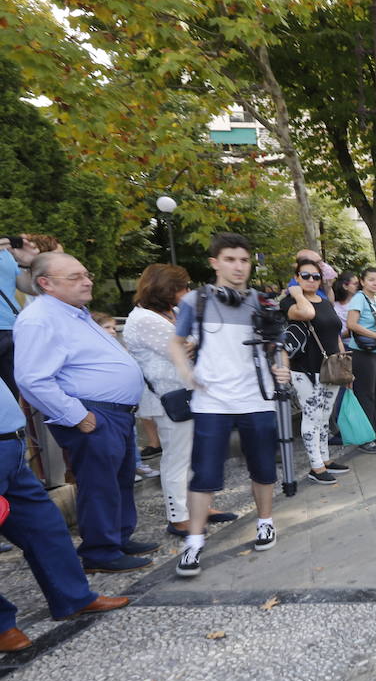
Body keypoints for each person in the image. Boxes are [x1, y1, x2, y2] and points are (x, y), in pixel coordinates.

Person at [14, 252, 158, 572]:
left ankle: (117, 538)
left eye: (86, 273)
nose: (88, 280)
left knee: (118, 480)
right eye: (76, 277)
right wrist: (77, 416)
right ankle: (100, 551)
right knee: (99, 484)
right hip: (91, 415)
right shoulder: (40, 318)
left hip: (112, 413)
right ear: (45, 284)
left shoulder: (74, 313)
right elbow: (32, 379)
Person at [167, 233, 291, 578]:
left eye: (244, 260)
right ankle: (193, 543)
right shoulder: (196, 300)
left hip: (257, 397)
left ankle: (265, 522)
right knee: (204, 474)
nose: (238, 267)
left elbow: (277, 346)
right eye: (231, 259)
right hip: (212, 401)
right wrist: (185, 373)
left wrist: (283, 369)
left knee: (264, 467)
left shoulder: (263, 302)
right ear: (215, 263)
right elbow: (176, 343)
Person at [0, 381, 130, 652]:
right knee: (42, 525)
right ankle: (2, 625)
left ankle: (74, 598)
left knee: (45, 527)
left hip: (11, 445)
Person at [124, 263, 236, 536]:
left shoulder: (169, 312)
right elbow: (183, 348)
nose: (188, 291)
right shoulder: (144, 319)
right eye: (183, 287)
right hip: (170, 397)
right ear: (166, 289)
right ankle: (178, 516)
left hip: (189, 392)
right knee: (178, 458)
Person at [280, 258, 351, 485]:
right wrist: (298, 293)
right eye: (305, 276)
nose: (311, 280)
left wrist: (344, 363)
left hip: (330, 368)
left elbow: (336, 334)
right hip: (306, 369)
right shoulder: (290, 303)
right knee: (312, 416)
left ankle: (325, 460)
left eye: (316, 276)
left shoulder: (324, 301)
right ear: (297, 278)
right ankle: (315, 466)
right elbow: (307, 314)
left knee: (324, 416)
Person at [345, 268, 376, 454]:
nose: (375, 283)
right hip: (362, 352)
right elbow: (351, 324)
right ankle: (366, 439)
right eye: (371, 280)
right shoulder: (358, 298)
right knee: (365, 395)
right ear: (362, 282)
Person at [0, 234, 37, 400]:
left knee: (10, 400)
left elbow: (30, 288)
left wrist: (27, 264)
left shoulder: (5, 250)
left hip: (11, 329)